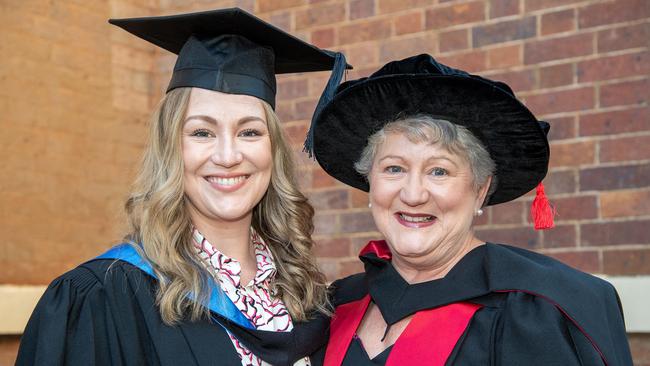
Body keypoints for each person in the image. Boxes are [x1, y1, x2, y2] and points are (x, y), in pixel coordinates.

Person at [16, 8, 348, 366]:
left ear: (273, 150)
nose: (227, 155)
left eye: (249, 131)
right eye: (201, 132)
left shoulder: (302, 292)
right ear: (171, 147)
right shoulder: (101, 298)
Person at [306, 54, 633, 365]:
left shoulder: (538, 311)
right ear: (370, 183)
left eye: (439, 171)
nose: (413, 194)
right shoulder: (337, 305)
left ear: (480, 190)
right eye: (394, 168)